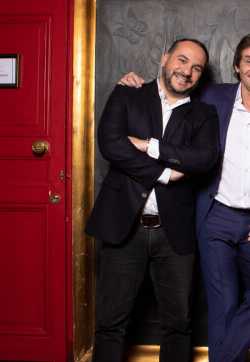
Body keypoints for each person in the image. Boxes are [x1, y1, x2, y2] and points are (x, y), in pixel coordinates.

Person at [120, 31, 250, 362]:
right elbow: (176, 83)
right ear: (236, 67)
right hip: (215, 216)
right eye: (248, 61)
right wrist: (136, 86)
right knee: (224, 303)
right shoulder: (213, 97)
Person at [85, 39, 220, 362]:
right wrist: (165, 173)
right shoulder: (128, 93)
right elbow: (111, 145)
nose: (186, 72)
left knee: (177, 324)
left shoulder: (204, 113)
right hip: (124, 226)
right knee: (110, 324)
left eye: (196, 68)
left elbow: (202, 159)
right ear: (164, 58)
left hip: (174, 233)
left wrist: (148, 145)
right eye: (182, 61)